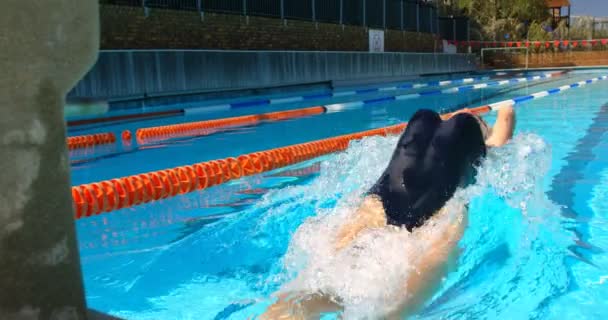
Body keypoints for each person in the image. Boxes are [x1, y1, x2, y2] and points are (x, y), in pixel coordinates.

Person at [262, 104, 516, 319]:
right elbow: (505, 122)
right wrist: (508, 106)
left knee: (326, 275)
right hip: (440, 204)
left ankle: (290, 308)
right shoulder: (483, 148)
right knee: (435, 255)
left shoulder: (432, 126)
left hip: (381, 197)